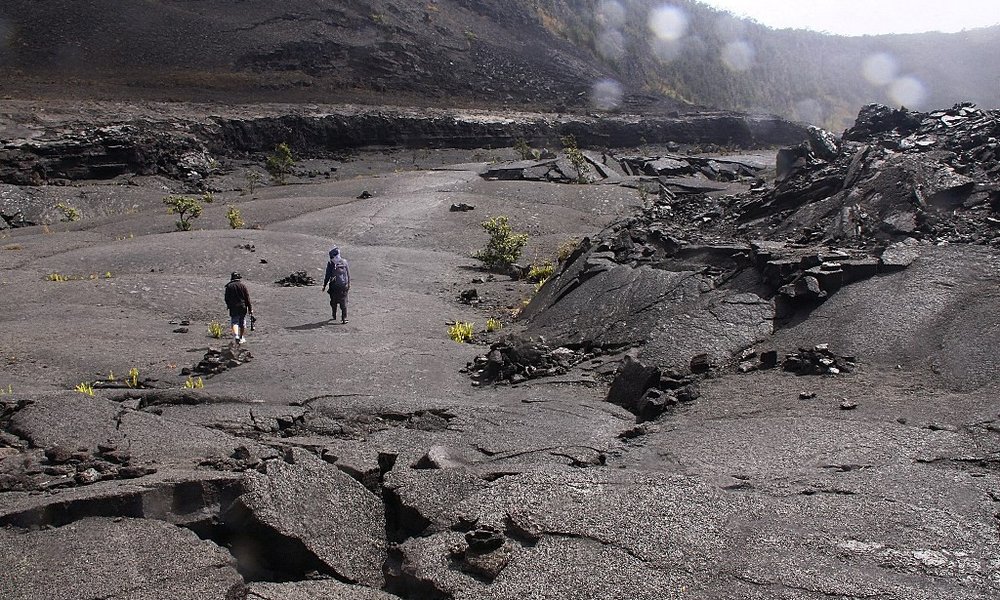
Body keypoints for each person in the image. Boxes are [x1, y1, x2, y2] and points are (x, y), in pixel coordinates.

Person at [322, 246, 350, 323]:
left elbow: (348, 274)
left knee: (343, 303)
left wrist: (348, 284)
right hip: (333, 287)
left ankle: (344, 318)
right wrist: (324, 285)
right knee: (333, 302)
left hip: (343, 286)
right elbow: (327, 275)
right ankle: (334, 314)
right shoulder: (330, 264)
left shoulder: (344, 262)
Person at [224, 272, 253, 343]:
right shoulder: (242, 286)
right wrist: (250, 309)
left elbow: (226, 298)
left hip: (233, 307)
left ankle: (236, 335)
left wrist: (229, 305)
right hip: (243, 306)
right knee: (242, 321)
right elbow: (247, 298)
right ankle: (241, 337)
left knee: (234, 322)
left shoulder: (229, 286)